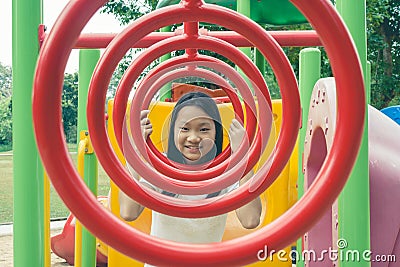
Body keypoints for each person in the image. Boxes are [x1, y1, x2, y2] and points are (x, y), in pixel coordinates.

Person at [119, 92, 262, 265]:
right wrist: (134, 151)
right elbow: (128, 211)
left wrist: (243, 156)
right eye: (185, 128)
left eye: (204, 129)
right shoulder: (161, 168)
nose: (193, 138)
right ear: (173, 131)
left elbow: (251, 219)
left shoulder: (225, 173)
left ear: (216, 132)